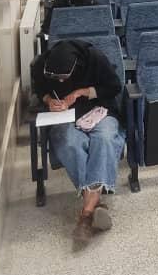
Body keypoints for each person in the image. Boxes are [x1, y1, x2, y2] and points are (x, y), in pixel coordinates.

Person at [30, 39, 124, 245]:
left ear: (76, 67)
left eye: (65, 77)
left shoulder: (95, 58)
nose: (60, 81)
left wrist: (82, 92)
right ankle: (94, 205)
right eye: (56, 78)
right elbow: (39, 90)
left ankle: (86, 214)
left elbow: (114, 87)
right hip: (65, 117)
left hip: (99, 111)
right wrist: (49, 101)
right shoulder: (41, 65)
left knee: (105, 139)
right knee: (69, 143)